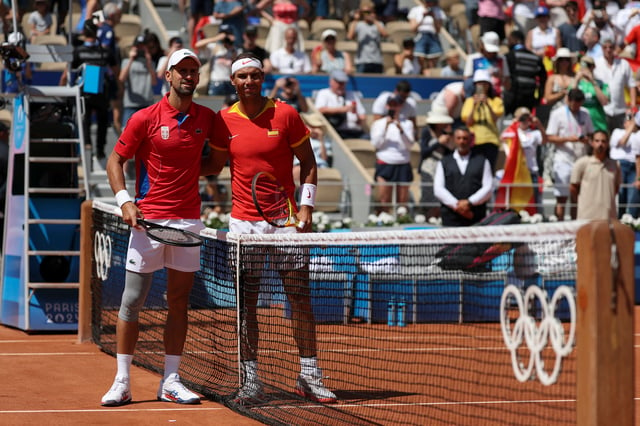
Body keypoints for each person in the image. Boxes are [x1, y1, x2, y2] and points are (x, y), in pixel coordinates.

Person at [202, 53, 337, 404]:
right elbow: (213, 166)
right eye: (242, 76)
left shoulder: (286, 113)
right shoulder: (223, 120)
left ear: (263, 78)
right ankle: (251, 380)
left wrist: (306, 207)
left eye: (255, 76)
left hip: (287, 221)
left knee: (299, 297)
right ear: (233, 81)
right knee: (246, 303)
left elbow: (308, 161)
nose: (249, 82)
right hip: (244, 223)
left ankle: (309, 375)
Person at [101, 48, 214, 407]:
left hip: (188, 221)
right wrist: (125, 201)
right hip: (147, 220)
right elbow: (115, 160)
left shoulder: (208, 118)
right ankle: (122, 382)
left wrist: (197, 169)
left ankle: (171, 380)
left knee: (179, 302)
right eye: (182, 70)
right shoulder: (144, 118)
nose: (188, 76)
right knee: (132, 301)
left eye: (194, 70)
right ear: (168, 75)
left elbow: (220, 159)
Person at [61, 19, 117, 163]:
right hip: (100, 90)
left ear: (83, 33)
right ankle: (99, 151)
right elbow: (115, 71)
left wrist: (61, 86)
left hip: (86, 91)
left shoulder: (78, 52)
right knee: (102, 121)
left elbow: (67, 72)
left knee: (85, 120)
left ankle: (88, 147)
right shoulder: (105, 51)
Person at [546, 88, 594, 221]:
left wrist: (586, 140)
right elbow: (549, 137)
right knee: (561, 197)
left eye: (579, 104)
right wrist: (568, 139)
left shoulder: (585, 113)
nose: (576, 107)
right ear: (568, 101)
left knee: (577, 196)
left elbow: (591, 133)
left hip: (581, 158)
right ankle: (560, 226)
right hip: (563, 158)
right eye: (574, 104)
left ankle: (574, 228)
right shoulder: (557, 113)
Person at [434, 126, 493, 227]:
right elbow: (438, 189)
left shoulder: (482, 161)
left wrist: (469, 203)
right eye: (459, 138)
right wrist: (457, 206)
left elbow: (488, 188)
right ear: (454, 139)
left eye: (465, 138)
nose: (462, 141)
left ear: (470, 140)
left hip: (475, 216)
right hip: (451, 217)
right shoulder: (444, 162)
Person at [370, 94, 415, 213]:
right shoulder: (378, 124)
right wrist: (386, 126)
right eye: (391, 105)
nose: (394, 108)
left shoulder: (407, 124)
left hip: (403, 162)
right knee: (384, 199)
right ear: (387, 106)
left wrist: (400, 128)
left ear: (401, 106)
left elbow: (410, 145)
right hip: (385, 162)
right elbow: (376, 144)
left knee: (402, 201)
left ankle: (402, 222)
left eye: (396, 105)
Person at [500, 107, 548, 213]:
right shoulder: (512, 132)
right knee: (516, 202)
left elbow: (545, 140)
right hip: (517, 173)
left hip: (531, 171)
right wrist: (513, 124)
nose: (524, 121)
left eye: (527, 118)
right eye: (522, 118)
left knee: (534, 201)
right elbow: (502, 138)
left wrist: (539, 125)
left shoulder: (534, 133)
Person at [570, 130, 621, 220]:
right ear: (592, 143)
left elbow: (616, 188)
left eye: (603, 141)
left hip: (608, 217)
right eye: (597, 141)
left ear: (608, 143)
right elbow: (573, 188)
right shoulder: (582, 163)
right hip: (587, 216)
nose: (600, 144)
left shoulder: (615, 164)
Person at [461, 68, 504, 171]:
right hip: (474, 141)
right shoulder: (469, 101)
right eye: (479, 84)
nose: (482, 86)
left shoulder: (496, 101)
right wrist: (474, 106)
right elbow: (468, 122)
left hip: (491, 140)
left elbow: (495, 118)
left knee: (489, 170)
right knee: (475, 170)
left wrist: (487, 104)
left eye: (485, 84)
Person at [594, 37, 636, 133]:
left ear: (614, 48)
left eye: (610, 47)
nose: (608, 50)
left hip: (620, 110)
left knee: (622, 137)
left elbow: (632, 85)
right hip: (602, 110)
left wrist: (633, 106)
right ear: (602, 48)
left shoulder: (623, 64)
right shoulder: (596, 64)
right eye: (605, 47)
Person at [419, 105, 454, 219]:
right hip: (428, 168)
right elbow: (424, 152)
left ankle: (439, 215)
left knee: (441, 191)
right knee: (429, 192)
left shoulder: (446, 134)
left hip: (442, 168)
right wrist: (438, 142)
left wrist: (448, 142)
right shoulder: (426, 132)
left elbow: (450, 154)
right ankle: (429, 216)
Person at [504, 29, 547, 116]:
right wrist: (539, 97)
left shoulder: (509, 56)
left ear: (515, 40)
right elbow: (544, 78)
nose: (507, 43)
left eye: (509, 40)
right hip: (530, 97)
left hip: (513, 98)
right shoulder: (535, 58)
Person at [314, 69, 367, 139]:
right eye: (339, 82)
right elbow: (320, 110)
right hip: (336, 132)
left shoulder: (352, 95)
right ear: (331, 82)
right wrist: (343, 109)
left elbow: (362, 115)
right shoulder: (324, 93)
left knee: (367, 138)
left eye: (343, 83)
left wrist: (359, 119)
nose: (341, 85)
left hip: (355, 131)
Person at [119, 34, 157, 130]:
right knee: (126, 131)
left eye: (142, 47)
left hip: (147, 104)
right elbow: (121, 79)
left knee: (148, 133)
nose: (140, 49)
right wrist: (131, 59)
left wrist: (148, 61)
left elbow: (154, 82)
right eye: (138, 47)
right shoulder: (126, 62)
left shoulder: (151, 63)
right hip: (130, 104)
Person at [463, 31, 511, 98]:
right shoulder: (473, 58)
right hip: (476, 97)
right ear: (482, 44)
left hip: (496, 99)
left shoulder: (502, 59)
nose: (491, 53)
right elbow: (467, 81)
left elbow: (508, 84)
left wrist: (501, 76)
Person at [610, 112, 640, 217]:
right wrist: (631, 128)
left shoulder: (638, 135)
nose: (630, 122)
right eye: (628, 119)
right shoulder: (617, 132)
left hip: (633, 167)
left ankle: (630, 221)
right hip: (620, 165)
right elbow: (622, 142)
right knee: (620, 194)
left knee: (632, 195)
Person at [195, 24, 238, 96]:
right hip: (216, 82)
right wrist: (216, 38)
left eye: (227, 34)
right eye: (223, 33)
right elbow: (197, 45)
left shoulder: (234, 50)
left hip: (230, 83)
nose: (225, 36)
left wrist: (232, 43)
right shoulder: (214, 47)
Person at [348, 1, 387, 74]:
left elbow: (385, 34)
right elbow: (350, 36)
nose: (367, 14)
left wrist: (374, 20)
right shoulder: (359, 24)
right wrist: (356, 19)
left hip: (377, 61)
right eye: (365, 12)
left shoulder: (379, 24)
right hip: (362, 61)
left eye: (369, 12)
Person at [574, 55, 609, 132]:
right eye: (583, 65)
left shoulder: (600, 83)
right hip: (580, 123)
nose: (586, 68)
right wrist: (576, 80)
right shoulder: (576, 83)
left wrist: (593, 82)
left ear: (593, 67)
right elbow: (569, 99)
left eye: (588, 65)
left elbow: (604, 102)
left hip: (597, 123)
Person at [407, 0, 445, 69]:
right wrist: (422, 17)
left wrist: (433, 17)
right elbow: (413, 29)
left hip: (433, 37)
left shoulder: (438, 11)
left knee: (433, 60)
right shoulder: (415, 10)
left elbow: (438, 30)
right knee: (420, 58)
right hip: (420, 36)